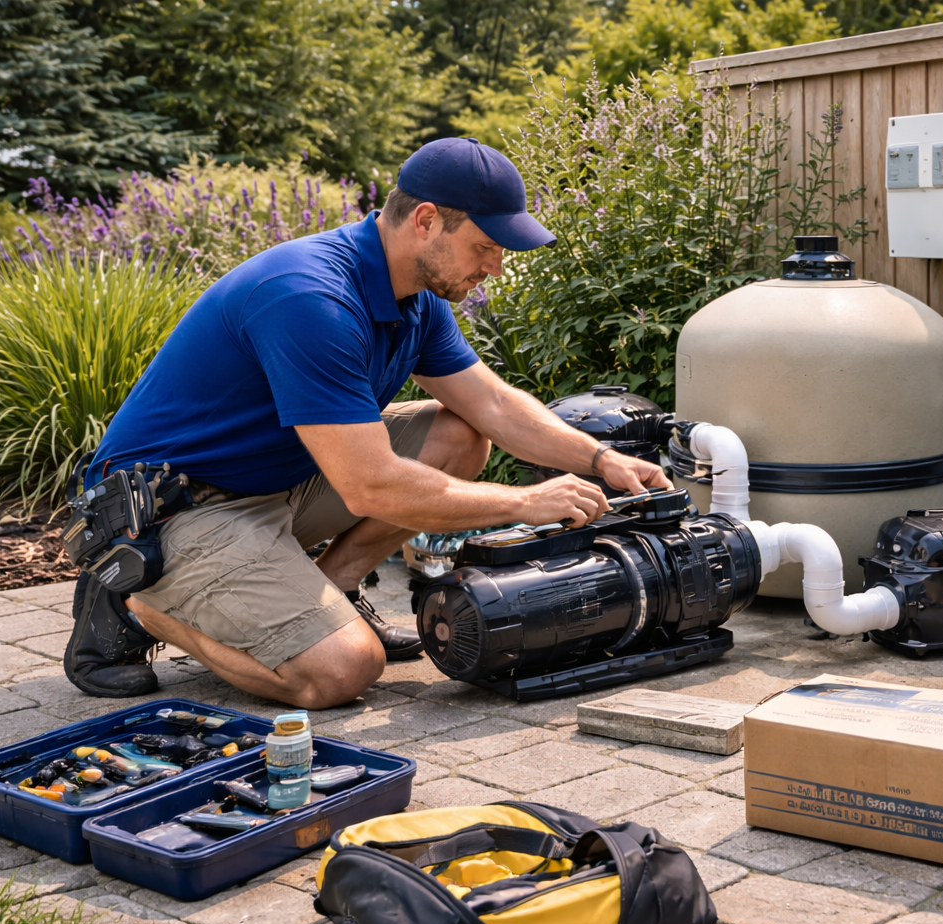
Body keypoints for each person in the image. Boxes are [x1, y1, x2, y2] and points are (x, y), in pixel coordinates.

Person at [65, 138, 670, 709]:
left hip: (278, 480)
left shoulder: (419, 298)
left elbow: (492, 405)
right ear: (427, 221)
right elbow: (371, 486)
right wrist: (524, 502)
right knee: (341, 672)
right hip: (179, 509)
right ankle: (138, 602)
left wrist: (599, 460)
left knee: (459, 436)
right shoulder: (310, 298)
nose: (497, 267)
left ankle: (335, 590)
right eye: (487, 246)